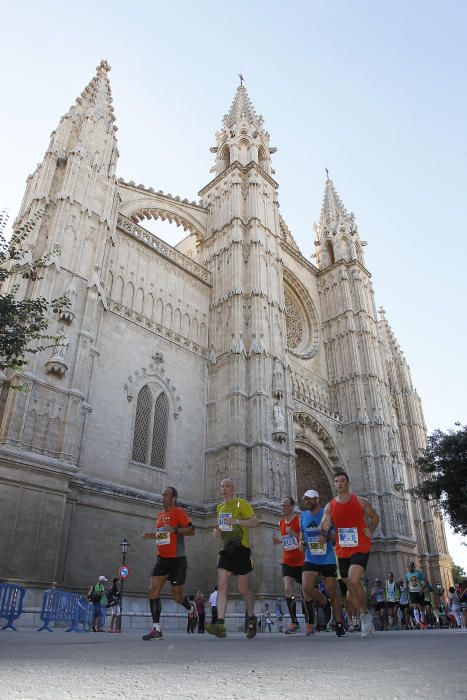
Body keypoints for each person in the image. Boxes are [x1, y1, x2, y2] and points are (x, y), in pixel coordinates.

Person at [320, 470, 380, 638]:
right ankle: (364, 612)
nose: (339, 484)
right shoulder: (329, 506)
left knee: (354, 580)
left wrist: (371, 529)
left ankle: (364, 616)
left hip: (361, 545)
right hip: (342, 549)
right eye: (336, 481)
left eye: (342, 481)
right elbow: (324, 524)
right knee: (350, 588)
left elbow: (374, 517)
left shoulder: (361, 501)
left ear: (348, 483)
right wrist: (324, 527)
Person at [206, 477, 260, 639]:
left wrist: (236, 520)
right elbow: (223, 528)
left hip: (241, 549)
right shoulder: (220, 507)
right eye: (222, 486)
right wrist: (217, 532)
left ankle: (251, 618)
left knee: (243, 589)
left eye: (227, 485)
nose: (224, 488)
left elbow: (254, 521)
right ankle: (220, 624)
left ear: (233, 488)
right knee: (222, 586)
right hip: (225, 550)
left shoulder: (240, 504)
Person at [142, 486, 196, 641]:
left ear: (173, 498)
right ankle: (156, 629)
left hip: (177, 560)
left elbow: (192, 530)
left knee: (177, 596)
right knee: (153, 589)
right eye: (162, 494)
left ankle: (189, 606)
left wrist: (175, 530)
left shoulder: (178, 512)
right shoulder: (159, 515)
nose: (163, 496)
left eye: (166, 494)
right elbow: (162, 535)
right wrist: (151, 535)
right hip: (162, 559)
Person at [300, 489, 345, 638]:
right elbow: (302, 532)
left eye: (310, 499)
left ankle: (339, 623)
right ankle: (324, 602)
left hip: (327, 557)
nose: (307, 502)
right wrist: (301, 542)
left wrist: (326, 539)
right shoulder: (303, 515)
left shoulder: (326, 515)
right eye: (305, 499)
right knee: (306, 587)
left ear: (317, 500)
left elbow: (336, 535)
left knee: (332, 591)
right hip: (310, 557)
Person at [272, 496, 305, 633]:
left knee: (306, 591)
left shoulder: (300, 520)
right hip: (287, 560)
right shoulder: (281, 522)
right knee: (287, 588)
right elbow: (287, 540)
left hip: (301, 560)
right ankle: (294, 621)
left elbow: (303, 538)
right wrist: (279, 541)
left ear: (292, 506)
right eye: (281, 505)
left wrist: (295, 533)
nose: (282, 508)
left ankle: (309, 620)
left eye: (285, 505)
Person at [404, 562, 425, 629]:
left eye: (412, 567)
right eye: (409, 567)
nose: (410, 568)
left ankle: (422, 620)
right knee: (415, 606)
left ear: (414, 567)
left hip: (419, 592)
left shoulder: (418, 573)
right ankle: (418, 622)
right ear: (408, 567)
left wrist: (422, 589)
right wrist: (407, 589)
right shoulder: (407, 575)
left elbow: (425, 581)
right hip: (412, 592)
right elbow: (407, 583)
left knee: (421, 608)